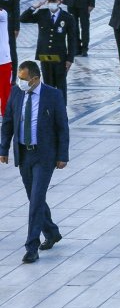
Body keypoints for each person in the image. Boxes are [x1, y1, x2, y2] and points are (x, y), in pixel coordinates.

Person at [0, 61, 69, 264]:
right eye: (19, 78)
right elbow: (8, 122)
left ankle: (32, 247)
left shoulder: (53, 95)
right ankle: (52, 232)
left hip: (44, 155)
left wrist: (62, 155)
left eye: (23, 79)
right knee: (34, 198)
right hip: (24, 154)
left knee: (37, 198)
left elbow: (62, 127)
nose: (19, 82)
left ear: (35, 79)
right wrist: (3, 149)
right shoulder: (16, 93)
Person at [19, 0, 76, 99]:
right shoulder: (42, 13)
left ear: (59, 1)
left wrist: (70, 59)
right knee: (47, 85)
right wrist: (34, 7)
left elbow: (72, 40)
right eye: (49, 0)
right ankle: (48, 109)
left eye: (54, 0)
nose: (51, 3)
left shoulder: (67, 17)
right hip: (44, 56)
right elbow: (23, 18)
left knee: (60, 86)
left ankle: (61, 110)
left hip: (60, 57)